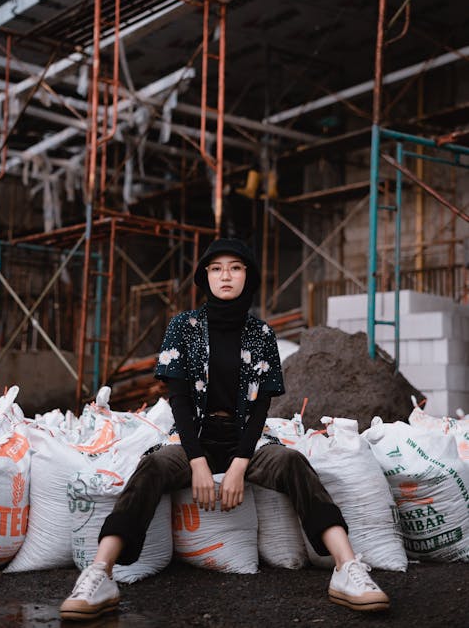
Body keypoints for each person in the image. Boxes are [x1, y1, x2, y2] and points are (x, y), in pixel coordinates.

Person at [60, 238, 390, 620]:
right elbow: (179, 402)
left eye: (235, 267)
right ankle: (100, 573)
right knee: (151, 467)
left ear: (247, 277)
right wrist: (198, 462)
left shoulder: (262, 335)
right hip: (192, 439)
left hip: (244, 439)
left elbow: (261, 407)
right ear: (205, 277)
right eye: (216, 269)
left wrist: (238, 465)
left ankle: (347, 568)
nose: (225, 275)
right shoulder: (183, 327)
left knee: (293, 462)